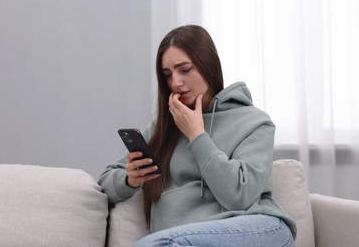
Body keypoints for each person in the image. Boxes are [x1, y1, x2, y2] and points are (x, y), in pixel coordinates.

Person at [98, 25, 296, 246]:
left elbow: (239, 197)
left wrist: (197, 135)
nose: (176, 83)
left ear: (208, 66)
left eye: (184, 70)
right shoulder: (163, 128)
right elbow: (105, 182)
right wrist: (129, 179)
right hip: (185, 238)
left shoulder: (254, 122)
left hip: (258, 229)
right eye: (167, 75)